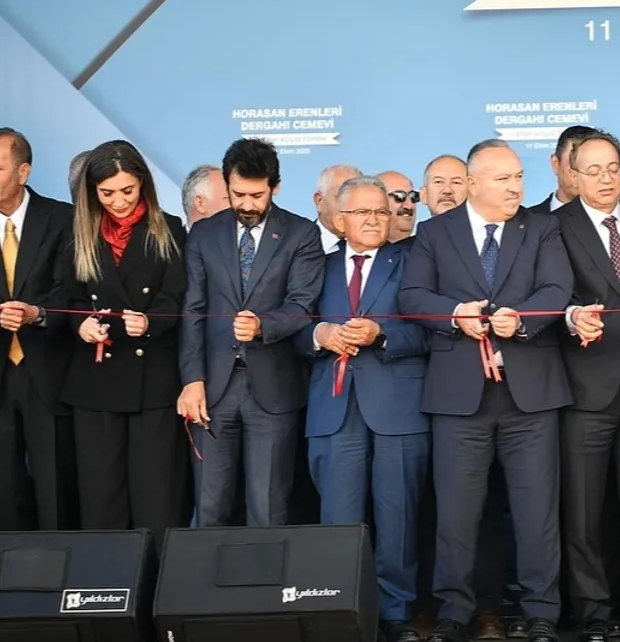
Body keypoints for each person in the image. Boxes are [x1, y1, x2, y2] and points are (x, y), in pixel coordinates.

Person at [400, 139, 573, 642]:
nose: (516, 187)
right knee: (456, 514)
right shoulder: (435, 232)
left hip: (530, 395)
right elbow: (412, 295)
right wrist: (455, 314)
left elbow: (556, 290)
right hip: (459, 397)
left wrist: (521, 320)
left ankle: (541, 612)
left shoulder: (541, 227)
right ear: (473, 184)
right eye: (503, 179)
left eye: (518, 177)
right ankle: (454, 611)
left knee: (537, 513)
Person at [300, 176, 430, 642]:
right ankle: (339, 611)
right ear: (339, 220)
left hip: (398, 408)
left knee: (398, 518)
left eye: (381, 211)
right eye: (363, 212)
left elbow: (433, 330)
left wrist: (383, 334)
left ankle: (395, 615)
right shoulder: (316, 265)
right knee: (338, 520)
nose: (375, 219)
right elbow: (289, 324)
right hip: (334, 409)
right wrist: (319, 335)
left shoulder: (414, 261)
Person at [177, 137, 324, 526]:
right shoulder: (203, 234)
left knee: (269, 508)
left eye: (257, 195)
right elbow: (192, 310)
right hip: (213, 390)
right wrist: (192, 380)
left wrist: (263, 325)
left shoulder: (301, 234)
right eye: (238, 193)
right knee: (209, 506)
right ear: (226, 184)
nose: (246, 204)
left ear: (275, 187)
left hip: (273, 389)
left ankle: (267, 571)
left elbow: (302, 306)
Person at [554, 131, 620, 642]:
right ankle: (593, 613)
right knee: (584, 511)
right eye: (593, 170)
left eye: (613, 168)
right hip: (587, 385)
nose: (605, 179)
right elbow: (549, 297)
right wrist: (572, 317)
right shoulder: (555, 227)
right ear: (573, 175)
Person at [61, 140, 189, 536]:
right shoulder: (77, 232)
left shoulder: (169, 228)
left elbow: (176, 298)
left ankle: (156, 573)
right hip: (95, 382)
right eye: (107, 193)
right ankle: (108, 574)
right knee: (102, 499)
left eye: (127, 190)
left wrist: (149, 322)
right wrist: (81, 324)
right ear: (92, 192)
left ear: (143, 184)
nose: (118, 201)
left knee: (156, 499)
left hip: (152, 384)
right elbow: (65, 298)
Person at [0, 127, 78, 531]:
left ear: (23, 172)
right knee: (3, 495)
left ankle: (60, 565)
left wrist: (36, 314)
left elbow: (71, 293)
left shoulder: (61, 219)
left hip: (47, 374)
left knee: (55, 494)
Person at [530, 126, 594, 213]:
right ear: (556, 164)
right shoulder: (528, 220)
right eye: (575, 163)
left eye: (594, 168)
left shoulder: (611, 218)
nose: (584, 174)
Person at [378, 171, 419, 243]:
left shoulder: (431, 246)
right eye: (399, 196)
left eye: (413, 196)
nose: (409, 206)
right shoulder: (361, 248)